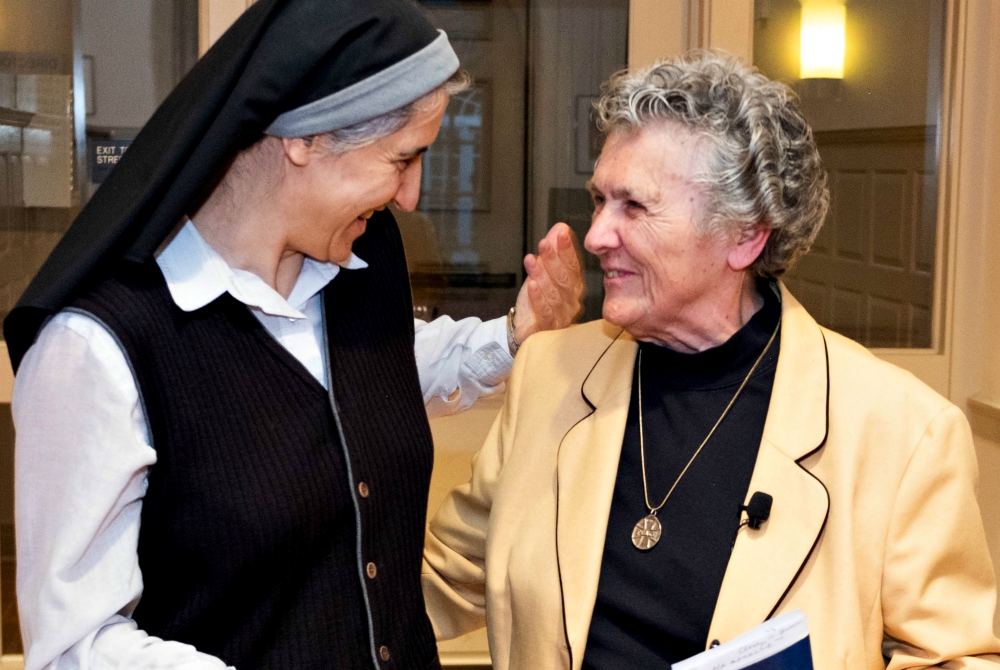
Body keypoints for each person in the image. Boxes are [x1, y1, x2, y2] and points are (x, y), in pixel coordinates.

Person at [7, 1, 583, 669]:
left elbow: (378, 368)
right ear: (304, 139)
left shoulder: (363, 262)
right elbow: (77, 646)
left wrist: (516, 336)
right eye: (403, 159)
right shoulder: (98, 348)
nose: (411, 196)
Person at [422, 52, 1000, 669]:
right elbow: (444, 580)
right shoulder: (550, 373)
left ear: (746, 235)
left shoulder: (903, 432)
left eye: (634, 207)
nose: (595, 235)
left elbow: (953, 658)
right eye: (599, 200)